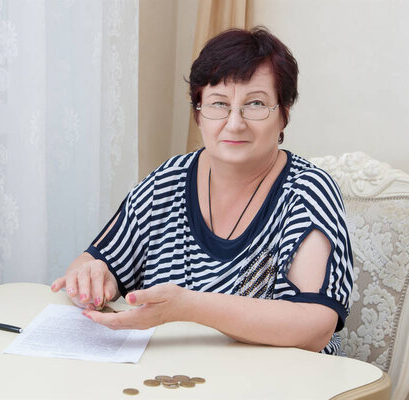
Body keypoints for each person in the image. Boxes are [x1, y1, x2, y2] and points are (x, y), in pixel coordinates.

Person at [51, 27, 353, 355]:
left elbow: (315, 327)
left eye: (255, 103)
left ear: (284, 115)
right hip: (176, 378)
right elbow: (95, 261)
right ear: (198, 114)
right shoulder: (168, 180)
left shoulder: (308, 193)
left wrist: (189, 307)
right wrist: (91, 278)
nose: (234, 122)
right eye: (218, 104)